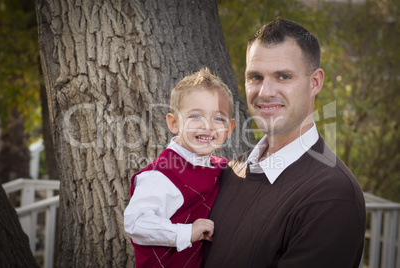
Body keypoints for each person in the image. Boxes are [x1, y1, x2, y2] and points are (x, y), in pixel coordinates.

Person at [203, 18, 366, 268]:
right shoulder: (231, 171)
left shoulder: (332, 196)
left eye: (283, 76)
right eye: (255, 77)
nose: (266, 92)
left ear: (315, 82)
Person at [124, 68, 236, 268]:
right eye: (196, 116)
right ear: (174, 123)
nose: (208, 126)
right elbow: (135, 222)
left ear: (229, 129)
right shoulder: (161, 175)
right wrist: (185, 232)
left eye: (218, 118)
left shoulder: (220, 167)